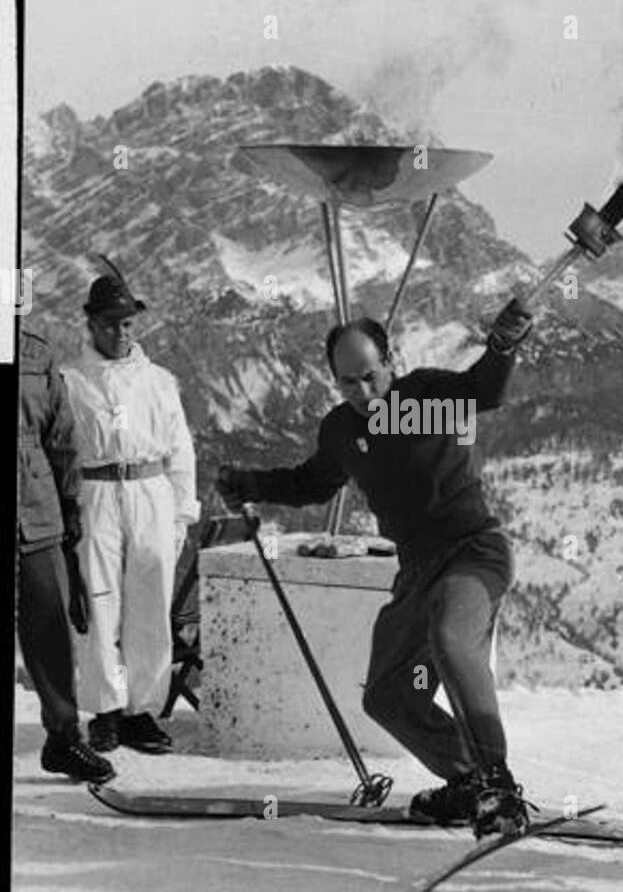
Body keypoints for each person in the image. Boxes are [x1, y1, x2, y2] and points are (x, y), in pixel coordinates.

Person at [218, 297, 534, 838]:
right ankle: (467, 783)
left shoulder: (426, 397)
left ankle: (497, 786)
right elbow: (309, 483)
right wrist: (247, 484)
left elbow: (486, 389)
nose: (363, 394)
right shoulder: (342, 431)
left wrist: (503, 344)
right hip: (417, 569)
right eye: (348, 384)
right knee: (387, 695)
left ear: (391, 360)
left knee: (452, 639)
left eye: (370, 377)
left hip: (474, 552)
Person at [61, 264, 200, 754]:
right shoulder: (71, 381)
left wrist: (182, 512)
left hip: (150, 492)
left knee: (150, 604)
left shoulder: (159, 381)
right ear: (91, 325)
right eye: (109, 324)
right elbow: (62, 451)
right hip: (97, 493)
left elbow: (180, 449)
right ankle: (105, 709)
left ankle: (143, 709)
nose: (120, 333)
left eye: (127, 324)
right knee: (101, 605)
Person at [17, 327, 115, 783]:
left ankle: (64, 740)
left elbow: (61, 437)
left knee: (51, 628)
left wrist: (71, 506)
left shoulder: (35, 352)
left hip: (35, 512)